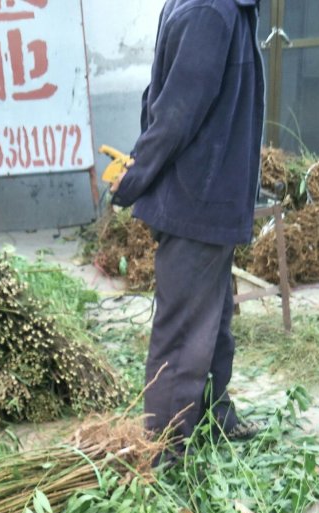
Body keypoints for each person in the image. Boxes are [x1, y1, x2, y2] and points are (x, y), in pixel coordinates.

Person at [111, 0, 264, 460]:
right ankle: (187, 435)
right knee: (196, 327)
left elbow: (165, 105)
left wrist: (138, 174)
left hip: (205, 194)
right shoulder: (206, 10)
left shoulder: (208, 10)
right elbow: (168, 103)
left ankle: (191, 433)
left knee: (199, 326)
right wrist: (137, 172)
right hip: (204, 193)